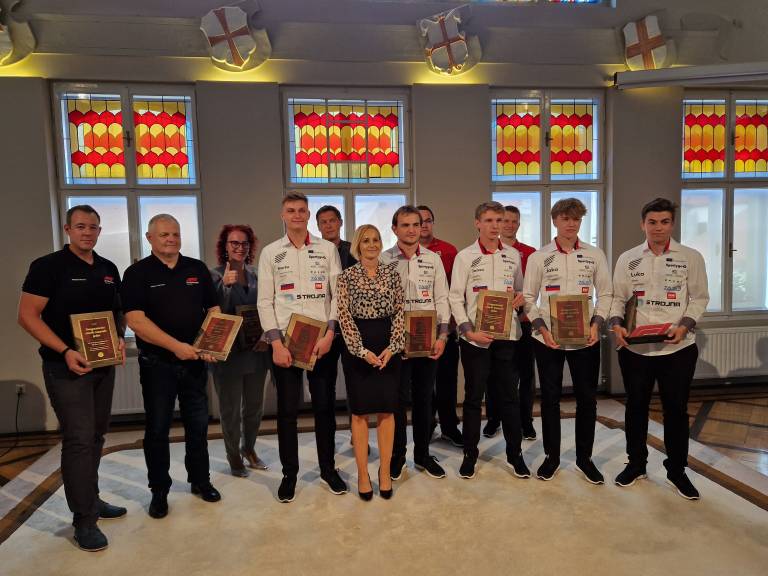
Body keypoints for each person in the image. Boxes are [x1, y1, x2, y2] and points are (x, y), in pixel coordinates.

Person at [18, 205, 126, 552]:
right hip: (65, 367)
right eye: (80, 226)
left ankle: (91, 499)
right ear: (67, 229)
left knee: (95, 436)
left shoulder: (108, 269)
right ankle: (84, 520)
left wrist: (118, 338)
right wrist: (65, 350)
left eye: (93, 227)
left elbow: (116, 312)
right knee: (78, 439)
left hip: (102, 366)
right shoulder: (47, 267)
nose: (87, 232)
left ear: (99, 230)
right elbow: (27, 316)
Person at [122, 214, 222, 520]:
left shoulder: (196, 268)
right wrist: (176, 346)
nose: (171, 239)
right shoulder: (137, 273)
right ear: (150, 238)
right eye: (164, 234)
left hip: (194, 363)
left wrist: (211, 344)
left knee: (198, 426)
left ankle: (200, 480)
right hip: (158, 365)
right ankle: (159, 490)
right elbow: (136, 321)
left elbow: (214, 309)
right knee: (157, 429)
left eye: (175, 234)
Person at [610, 197, 709, 500]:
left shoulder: (690, 257)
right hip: (636, 351)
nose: (658, 228)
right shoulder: (628, 258)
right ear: (643, 224)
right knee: (635, 408)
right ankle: (636, 464)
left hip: (677, 349)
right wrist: (616, 324)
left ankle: (676, 471)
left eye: (664, 222)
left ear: (672, 224)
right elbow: (617, 298)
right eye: (652, 222)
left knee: (676, 411)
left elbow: (700, 298)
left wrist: (685, 325)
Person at [257, 192, 346, 503]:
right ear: (283, 215)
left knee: (324, 408)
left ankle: (328, 469)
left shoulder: (327, 250)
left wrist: (330, 333)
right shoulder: (270, 253)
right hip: (286, 344)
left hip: (322, 342)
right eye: (291, 210)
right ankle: (289, 474)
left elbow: (338, 295)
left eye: (302, 210)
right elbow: (264, 302)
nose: (297, 215)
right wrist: (275, 343)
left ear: (308, 215)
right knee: (287, 412)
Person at [523, 198, 612, 483]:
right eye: (565, 218)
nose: (571, 224)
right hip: (547, 339)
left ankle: (585, 459)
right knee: (550, 399)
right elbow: (528, 298)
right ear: (555, 221)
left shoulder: (595, 255)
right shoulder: (539, 257)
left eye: (576, 219)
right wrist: (541, 329)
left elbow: (606, 294)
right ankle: (552, 457)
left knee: (587, 399)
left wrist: (597, 324)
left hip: (586, 338)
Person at [449, 201, 530, 479]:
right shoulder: (465, 257)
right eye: (490, 220)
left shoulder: (513, 255)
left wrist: (521, 298)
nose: (496, 226)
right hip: (475, 340)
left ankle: (515, 455)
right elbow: (455, 298)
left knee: (509, 398)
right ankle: (470, 454)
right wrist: (468, 331)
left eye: (499, 220)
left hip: (507, 338)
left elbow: (521, 291)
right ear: (478, 223)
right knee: (473, 398)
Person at [382, 206, 450, 480]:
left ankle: (422, 455)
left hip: (426, 340)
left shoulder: (433, 260)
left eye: (415, 224)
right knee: (397, 402)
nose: (412, 230)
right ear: (395, 229)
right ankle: (397, 457)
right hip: (395, 343)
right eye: (405, 225)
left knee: (424, 400)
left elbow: (442, 299)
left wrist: (442, 336)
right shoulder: (383, 259)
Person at [337, 224, 405, 499]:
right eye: (366, 240)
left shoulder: (392, 274)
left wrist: (393, 347)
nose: (372, 244)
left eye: (376, 239)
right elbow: (344, 316)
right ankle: (363, 474)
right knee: (360, 413)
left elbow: (400, 311)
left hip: (388, 348)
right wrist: (361, 351)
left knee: (388, 411)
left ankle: (384, 472)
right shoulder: (346, 277)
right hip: (358, 350)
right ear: (358, 245)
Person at [210, 224, 270, 477]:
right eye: (234, 243)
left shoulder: (257, 274)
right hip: (229, 355)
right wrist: (224, 286)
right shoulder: (213, 275)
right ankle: (233, 456)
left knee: (255, 407)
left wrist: (267, 335)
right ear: (225, 246)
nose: (239, 247)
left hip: (257, 351)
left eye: (244, 243)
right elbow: (212, 315)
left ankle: (249, 448)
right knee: (230, 411)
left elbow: (268, 307)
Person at [485, 205, 538, 440]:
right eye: (504, 220)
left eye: (513, 221)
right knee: (494, 375)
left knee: (526, 375)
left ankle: (526, 421)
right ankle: (493, 419)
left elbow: (532, 288)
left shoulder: (530, 252)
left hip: (523, 321)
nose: (508, 225)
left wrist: (527, 307)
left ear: (518, 224)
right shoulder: (485, 250)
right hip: (494, 322)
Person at [418, 205, 463, 448]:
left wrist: (451, 324)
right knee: (423, 384)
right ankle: (426, 425)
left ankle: (449, 427)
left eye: (428, 220)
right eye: (419, 221)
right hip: (417, 330)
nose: (423, 225)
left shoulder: (448, 250)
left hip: (446, 328)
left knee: (447, 381)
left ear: (433, 223)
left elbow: (456, 290)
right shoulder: (402, 253)